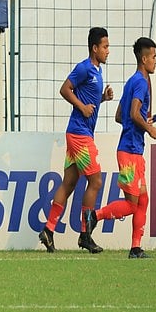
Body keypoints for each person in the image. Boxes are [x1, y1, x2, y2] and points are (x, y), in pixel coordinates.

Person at [39, 27, 114, 254]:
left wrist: (102, 98)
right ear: (95, 48)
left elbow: (88, 98)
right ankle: (85, 234)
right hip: (80, 134)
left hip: (79, 133)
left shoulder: (97, 71)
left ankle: (48, 230)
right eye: (105, 47)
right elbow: (65, 89)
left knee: (69, 182)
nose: (108, 51)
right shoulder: (84, 68)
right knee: (96, 181)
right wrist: (81, 107)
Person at [84, 37, 156, 259]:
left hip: (133, 150)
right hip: (130, 151)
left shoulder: (132, 81)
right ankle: (95, 216)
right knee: (132, 205)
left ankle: (135, 248)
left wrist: (140, 121)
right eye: (154, 57)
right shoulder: (141, 83)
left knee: (143, 200)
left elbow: (120, 116)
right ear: (144, 59)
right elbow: (133, 114)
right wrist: (148, 128)